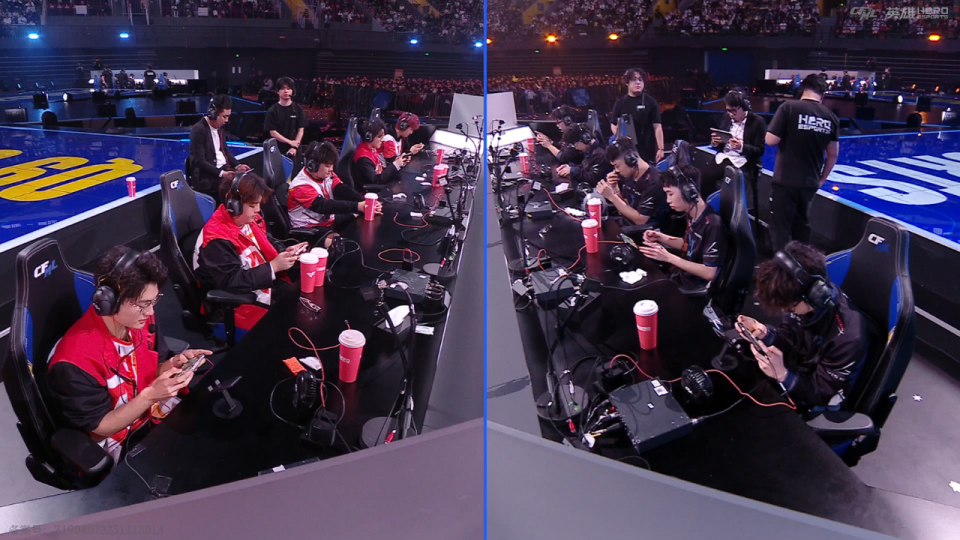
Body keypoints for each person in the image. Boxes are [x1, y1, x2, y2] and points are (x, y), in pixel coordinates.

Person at [46, 247, 211, 462]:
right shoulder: (74, 363)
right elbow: (100, 427)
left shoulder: (140, 321)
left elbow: (149, 370)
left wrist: (173, 364)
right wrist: (150, 396)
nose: (150, 312)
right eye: (143, 304)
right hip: (120, 439)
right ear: (109, 301)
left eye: (154, 301)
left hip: (151, 411)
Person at [737, 241, 871, 409]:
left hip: (817, 399)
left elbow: (822, 393)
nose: (785, 310)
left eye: (789, 307)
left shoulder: (849, 337)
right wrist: (765, 334)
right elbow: (790, 337)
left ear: (815, 295)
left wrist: (782, 375)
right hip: (798, 372)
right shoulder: (799, 298)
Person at [194, 172, 300, 331]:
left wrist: (284, 252)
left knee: (303, 300)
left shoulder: (247, 219)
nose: (258, 209)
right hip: (237, 302)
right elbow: (231, 281)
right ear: (233, 205)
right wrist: (273, 267)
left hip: (260, 282)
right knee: (293, 324)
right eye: (252, 205)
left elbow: (266, 241)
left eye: (258, 204)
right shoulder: (216, 239)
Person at [765, 74, 839, 252]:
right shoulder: (831, 117)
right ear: (822, 95)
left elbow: (770, 140)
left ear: (802, 89)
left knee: (781, 229)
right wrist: (821, 180)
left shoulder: (788, 107)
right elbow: (833, 154)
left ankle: (782, 267)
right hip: (809, 183)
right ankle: (804, 264)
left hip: (785, 181)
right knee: (802, 227)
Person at [638, 164, 727, 288]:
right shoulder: (692, 214)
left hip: (691, 285)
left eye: (670, 194)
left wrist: (668, 257)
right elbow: (688, 245)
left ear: (689, 192)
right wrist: (660, 237)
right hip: (681, 275)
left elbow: (710, 273)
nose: (668, 200)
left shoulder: (713, 224)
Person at [288, 141, 382, 234]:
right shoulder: (300, 186)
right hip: (310, 229)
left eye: (332, 165)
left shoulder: (327, 175)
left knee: (362, 215)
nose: (331, 169)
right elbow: (323, 206)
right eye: (327, 166)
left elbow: (343, 190)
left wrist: (367, 202)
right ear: (312, 165)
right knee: (341, 241)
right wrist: (358, 206)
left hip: (328, 221)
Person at [701, 89, 766, 214]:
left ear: (743, 107)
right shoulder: (726, 118)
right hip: (723, 157)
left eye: (733, 111)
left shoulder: (757, 122)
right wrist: (716, 142)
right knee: (702, 177)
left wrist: (741, 147)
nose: (730, 114)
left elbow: (759, 150)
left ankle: (731, 216)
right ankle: (709, 212)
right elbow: (720, 143)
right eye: (728, 110)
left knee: (733, 186)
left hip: (743, 161)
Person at [188, 94, 251, 204]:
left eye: (228, 117)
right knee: (241, 190)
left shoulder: (220, 128)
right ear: (212, 114)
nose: (227, 120)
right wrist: (223, 174)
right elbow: (200, 161)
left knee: (250, 182)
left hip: (222, 171)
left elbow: (224, 150)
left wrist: (237, 165)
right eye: (224, 117)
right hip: (208, 178)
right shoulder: (198, 130)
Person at [593, 137, 666, 228]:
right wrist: (615, 189)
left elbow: (640, 220)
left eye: (617, 166)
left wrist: (612, 197)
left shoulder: (654, 182)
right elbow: (625, 208)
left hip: (644, 232)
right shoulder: (629, 175)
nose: (616, 170)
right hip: (626, 224)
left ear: (630, 159)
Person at [610, 68, 664, 164]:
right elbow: (613, 124)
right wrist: (621, 138)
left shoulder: (651, 102)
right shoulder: (620, 103)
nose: (638, 82)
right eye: (634, 80)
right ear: (627, 82)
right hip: (627, 151)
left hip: (647, 149)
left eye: (640, 80)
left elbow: (657, 126)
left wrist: (661, 148)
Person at [352, 118, 405, 187]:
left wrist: (397, 162)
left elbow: (381, 170)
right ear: (369, 137)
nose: (382, 140)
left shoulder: (372, 148)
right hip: (371, 191)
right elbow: (376, 181)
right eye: (379, 137)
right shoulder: (363, 158)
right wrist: (395, 165)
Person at [264, 77, 308, 158]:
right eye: (282, 88)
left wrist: (294, 146)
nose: (286, 91)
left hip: (295, 150)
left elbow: (301, 129)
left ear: (292, 91)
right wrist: (289, 142)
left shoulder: (298, 109)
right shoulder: (272, 111)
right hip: (277, 151)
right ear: (277, 91)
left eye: (288, 88)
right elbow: (273, 132)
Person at [556, 123, 610, 188]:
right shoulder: (589, 151)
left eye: (575, 145)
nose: (576, 148)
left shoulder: (600, 153)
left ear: (585, 139)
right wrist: (569, 168)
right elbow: (585, 167)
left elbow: (594, 179)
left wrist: (573, 170)